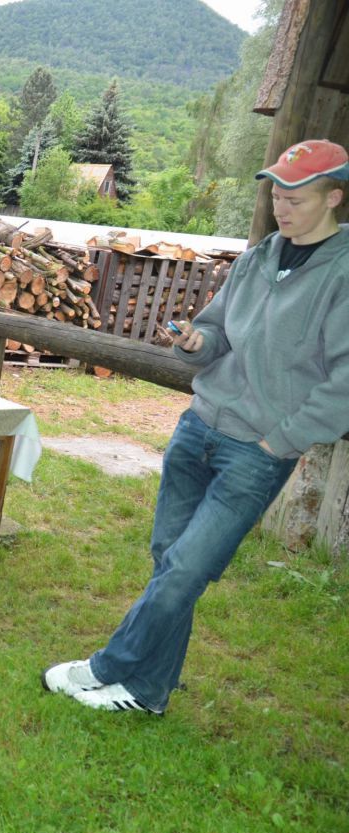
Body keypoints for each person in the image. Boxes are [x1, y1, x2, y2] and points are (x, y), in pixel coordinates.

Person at [43, 138, 349, 715]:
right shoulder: (259, 258)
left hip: (257, 451)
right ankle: (148, 694)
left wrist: (282, 440)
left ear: (334, 198)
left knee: (186, 569)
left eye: (297, 198)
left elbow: (344, 381)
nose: (281, 207)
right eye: (277, 194)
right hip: (198, 426)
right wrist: (195, 342)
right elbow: (218, 332)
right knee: (169, 558)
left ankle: (106, 668)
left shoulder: (343, 273)